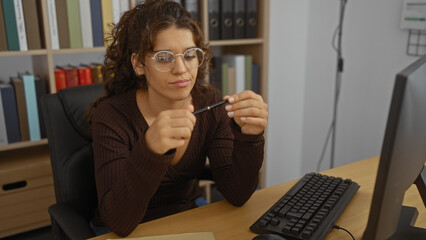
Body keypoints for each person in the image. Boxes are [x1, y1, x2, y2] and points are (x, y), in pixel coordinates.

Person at [89, 0, 268, 237]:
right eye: (164, 57)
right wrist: (150, 150)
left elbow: (237, 194)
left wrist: (250, 137)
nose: (181, 69)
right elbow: (119, 223)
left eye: (190, 55)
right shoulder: (111, 116)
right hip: (126, 230)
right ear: (139, 64)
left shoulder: (209, 103)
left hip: (188, 218)